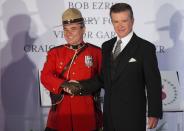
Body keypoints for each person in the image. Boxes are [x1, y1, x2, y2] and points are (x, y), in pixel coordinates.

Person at [63, 3, 163, 131]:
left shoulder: (145, 48)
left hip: (132, 116)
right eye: (116, 21)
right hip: (109, 115)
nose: (120, 25)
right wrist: (80, 86)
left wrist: (154, 112)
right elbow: (103, 78)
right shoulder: (106, 46)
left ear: (132, 21)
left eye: (124, 21)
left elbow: (153, 82)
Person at [41, 8, 102, 131]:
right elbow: (45, 76)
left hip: (87, 112)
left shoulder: (96, 52)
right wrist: (63, 84)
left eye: (73, 29)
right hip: (60, 113)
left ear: (83, 29)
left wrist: (82, 86)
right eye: (65, 29)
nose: (68, 33)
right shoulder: (55, 53)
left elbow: (103, 78)